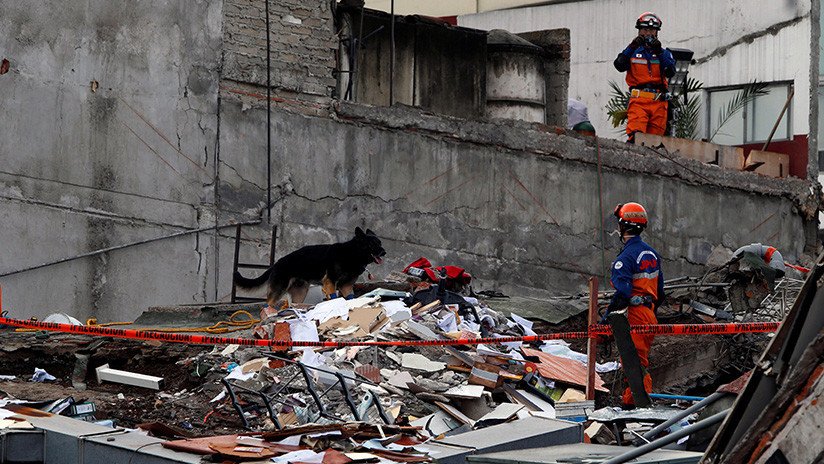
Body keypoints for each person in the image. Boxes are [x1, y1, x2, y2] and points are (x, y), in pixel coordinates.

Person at [607, 202, 665, 407]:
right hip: (649, 314)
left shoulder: (625, 257)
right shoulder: (652, 255)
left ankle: (637, 407)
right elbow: (661, 292)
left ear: (623, 226)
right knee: (639, 360)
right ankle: (636, 401)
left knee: (634, 364)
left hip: (634, 315)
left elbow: (623, 292)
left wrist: (609, 316)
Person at [613, 12, 676, 144]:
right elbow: (619, 65)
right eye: (645, 29)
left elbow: (670, 71)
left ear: (657, 32)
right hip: (639, 101)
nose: (648, 33)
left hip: (659, 103)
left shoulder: (664, 53)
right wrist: (632, 46)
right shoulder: (632, 52)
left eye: (652, 30)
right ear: (639, 31)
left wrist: (658, 51)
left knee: (655, 143)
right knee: (636, 137)